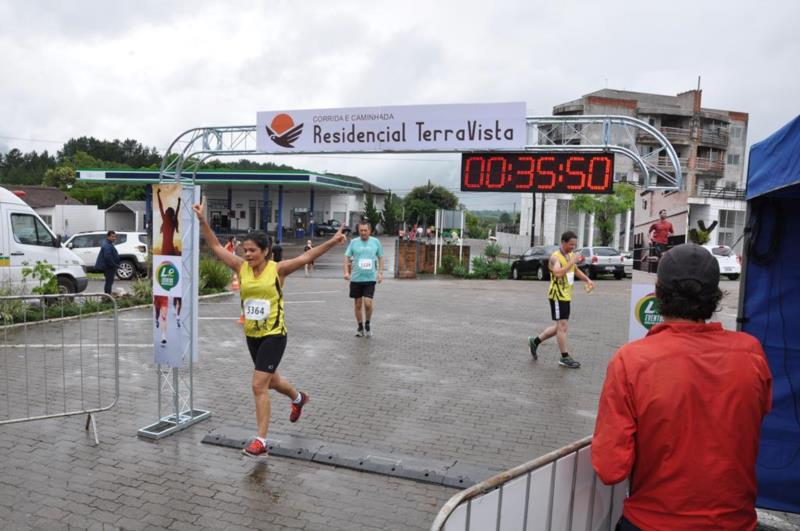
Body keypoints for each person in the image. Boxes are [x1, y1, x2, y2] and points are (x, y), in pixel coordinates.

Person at [592, 244, 772, 530]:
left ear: (659, 292)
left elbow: (610, 467)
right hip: (735, 522)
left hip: (653, 522)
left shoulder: (632, 360)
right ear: (715, 295)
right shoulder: (751, 353)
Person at [192, 203, 346, 458]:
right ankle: (298, 398)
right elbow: (216, 246)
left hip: (274, 335)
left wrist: (332, 241)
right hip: (252, 336)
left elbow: (307, 257)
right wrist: (202, 220)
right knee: (271, 381)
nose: (248, 254)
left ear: (265, 251)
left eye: (252, 250)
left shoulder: (278, 270)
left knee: (258, 385)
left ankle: (261, 440)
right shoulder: (241, 267)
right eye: (245, 250)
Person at [527, 231, 593, 368]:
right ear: (563, 242)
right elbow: (557, 273)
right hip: (557, 296)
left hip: (566, 296)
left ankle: (535, 341)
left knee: (559, 327)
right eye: (570, 245)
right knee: (563, 326)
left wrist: (587, 279)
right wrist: (572, 261)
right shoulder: (555, 258)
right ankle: (564, 357)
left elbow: (574, 270)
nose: (572, 248)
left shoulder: (569, 255)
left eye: (574, 245)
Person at [344, 221, 384, 337]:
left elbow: (381, 257)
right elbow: (346, 257)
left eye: (365, 230)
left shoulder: (375, 242)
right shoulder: (353, 242)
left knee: (368, 302)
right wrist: (346, 272)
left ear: (370, 231)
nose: (363, 232)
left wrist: (380, 273)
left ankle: (368, 323)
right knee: (357, 304)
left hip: (370, 278)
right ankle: (360, 326)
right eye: (361, 230)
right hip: (356, 278)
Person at [94, 230, 120, 295]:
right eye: (112, 237)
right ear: (108, 237)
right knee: (109, 282)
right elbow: (107, 257)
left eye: (115, 237)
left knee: (109, 282)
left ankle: (107, 296)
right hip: (109, 267)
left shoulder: (108, 244)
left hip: (109, 267)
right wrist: (114, 265)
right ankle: (107, 296)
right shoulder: (107, 245)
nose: (114, 238)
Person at [157, 188, 181, 256]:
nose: (165, 211)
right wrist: (179, 202)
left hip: (164, 249)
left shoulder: (165, 220)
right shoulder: (173, 222)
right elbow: (177, 211)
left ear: (167, 213)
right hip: (170, 248)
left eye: (166, 211)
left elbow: (160, 207)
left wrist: (158, 194)